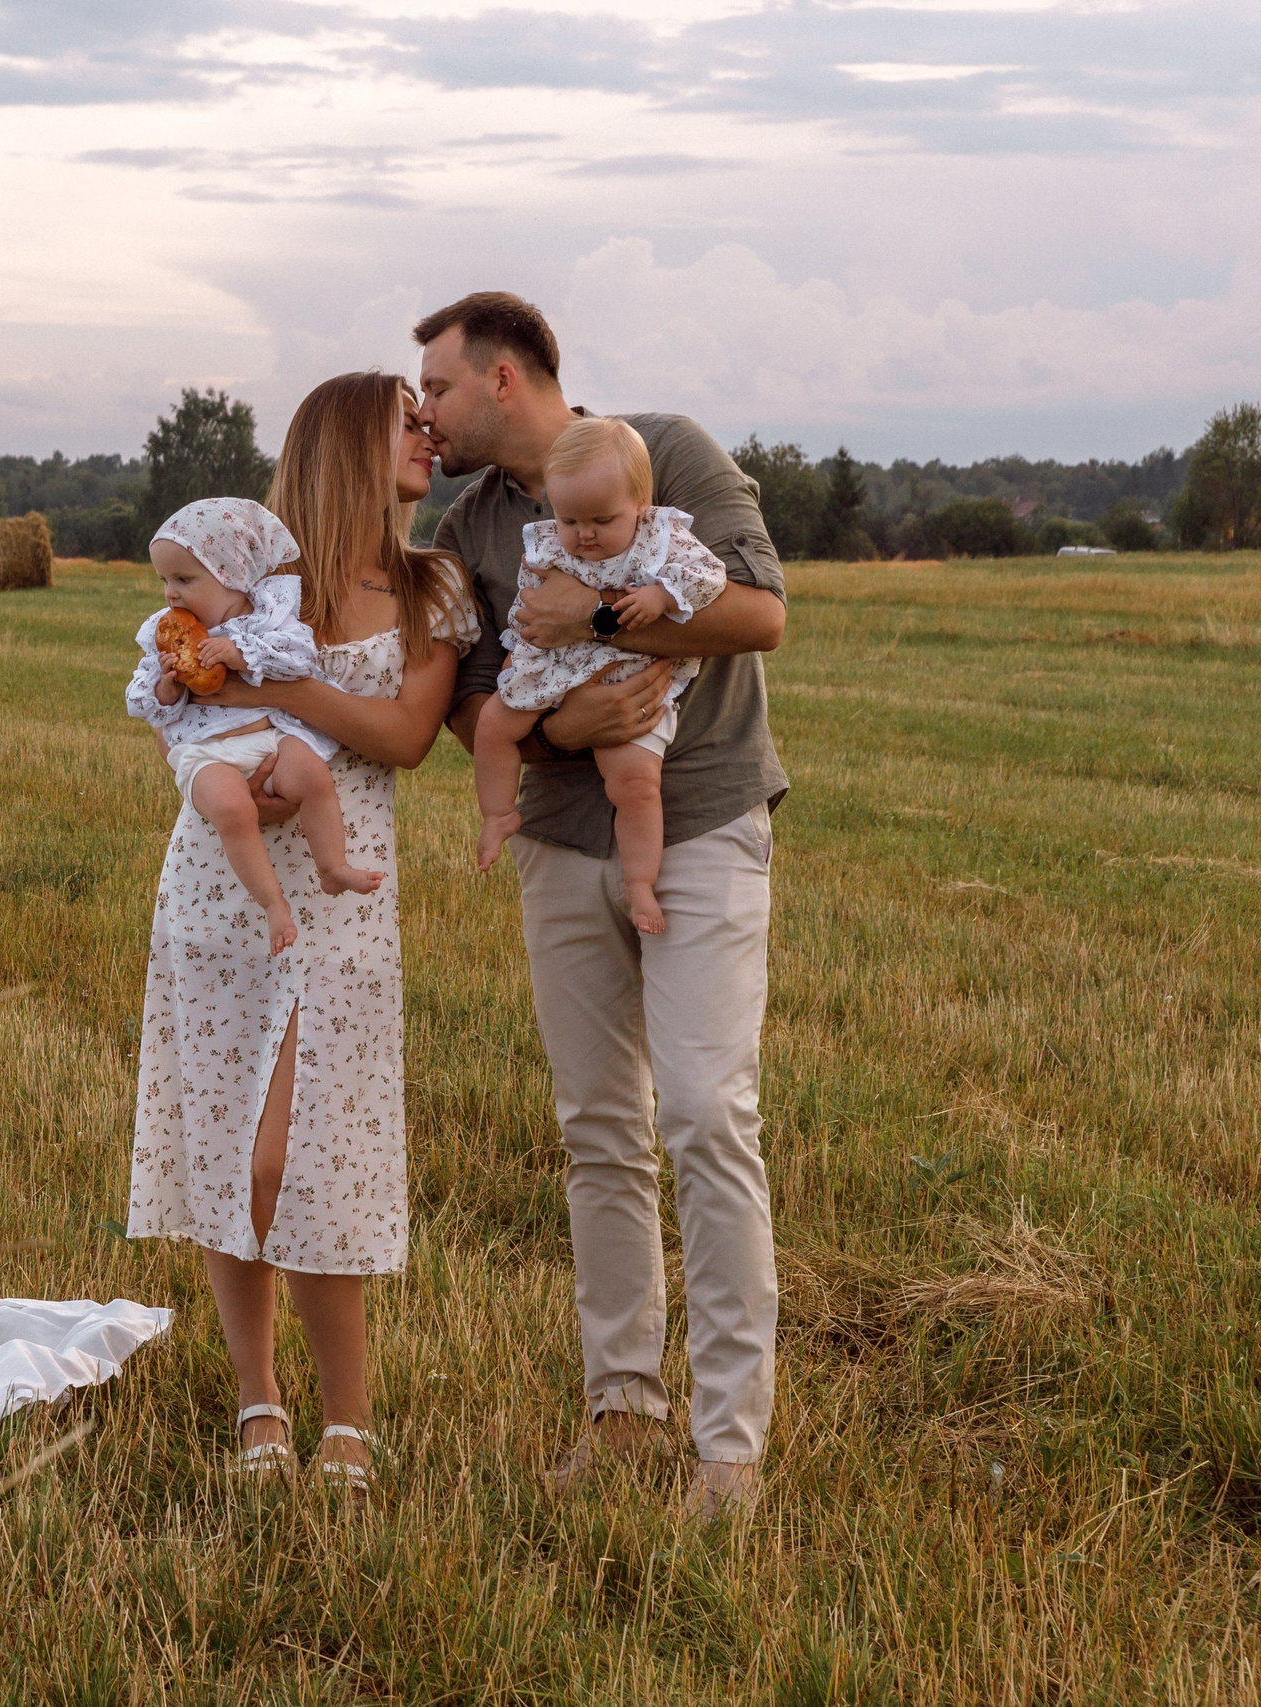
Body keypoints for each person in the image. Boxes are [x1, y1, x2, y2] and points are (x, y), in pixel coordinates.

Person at [415, 290, 788, 1520]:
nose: (427, 412)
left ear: (504, 377)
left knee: (705, 1115)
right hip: (559, 840)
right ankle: (621, 1413)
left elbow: (759, 613)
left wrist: (601, 615)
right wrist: (563, 726)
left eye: (439, 387)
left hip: (704, 822)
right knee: (596, 1131)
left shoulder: (664, 451)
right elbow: (472, 701)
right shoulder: (468, 526)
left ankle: (727, 1449)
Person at [128, 371, 478, 1490]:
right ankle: (258, 1399)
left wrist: (276, 697)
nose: (427, 436)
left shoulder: (432, 586)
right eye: (404, 424)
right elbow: (174, 704)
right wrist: (226, 732)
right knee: (236, 1154)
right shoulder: (244, 585)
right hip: (221, 889)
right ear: (343, 446)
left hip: (341, 896)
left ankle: (348, 1418)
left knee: (308, 1155)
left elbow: (405, 736)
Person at [471, 417, 728, 933]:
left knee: (634, 784)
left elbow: (709, 576)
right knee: (493, 726)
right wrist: (516, 650)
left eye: (601, 519)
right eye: (569, 519)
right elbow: (529, 605)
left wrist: (661, 595)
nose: (583, 534)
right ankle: (498, 814)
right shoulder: (548, 544)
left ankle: (640, 884)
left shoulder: (661, 538)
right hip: (551, 664)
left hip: (623, 675)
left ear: (640, 502)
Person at [126, 498, 385, 955]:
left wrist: (241, 655)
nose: (170, 594)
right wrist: (166, 686)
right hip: (205, 753)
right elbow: (141, 702)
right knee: (233, 810)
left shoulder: (268, 620)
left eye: (184, 579)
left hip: (270, 738)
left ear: (233, 574)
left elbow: (299, 660)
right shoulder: (165, 638)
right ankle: (273, 904)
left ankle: (332, 866)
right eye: (164, 580)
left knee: (312, 775)